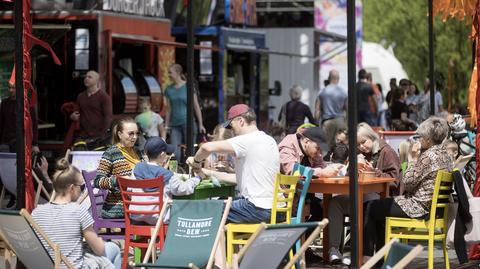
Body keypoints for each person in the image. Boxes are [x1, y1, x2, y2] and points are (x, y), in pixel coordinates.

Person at [363, 117, 453, 261]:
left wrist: (412, 159)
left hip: (418, 207)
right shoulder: (447, 156)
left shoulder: (428, 156)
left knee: (370, 207)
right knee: (380, 208)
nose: (419, 140)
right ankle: (380, 260)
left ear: (429, 140)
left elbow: (407, 183)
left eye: (421, 137)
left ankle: (367, 258)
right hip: (434, 209)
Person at [187, 104, 280, 223]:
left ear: (241, 121)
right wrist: (206, 172)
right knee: (221, 201)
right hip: (274, 208)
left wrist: (195, 162)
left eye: (231, 126)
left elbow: (206, 148)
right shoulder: (269, 140)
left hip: (256, 208)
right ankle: (225, 241)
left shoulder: (247, 140)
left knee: (207, 209)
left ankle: (218, 242)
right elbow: (238, 179)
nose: (231, 131)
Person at [327, 122, 400, 265]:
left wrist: (374, 172)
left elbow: (395, 180)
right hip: (361, 196)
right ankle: (334, 249)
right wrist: (352, 166)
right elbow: (348, 177)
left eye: (363, 142)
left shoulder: (386, 151)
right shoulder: (360, 154)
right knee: (335, 203)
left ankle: (359, 254)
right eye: (358, 144)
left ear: (372, 137)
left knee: (367, 202)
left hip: (381, 198)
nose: (362, 146)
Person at [32, 158, 121, 269]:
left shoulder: (36, 212)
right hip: (72, 266)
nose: (83, 190)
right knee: (114, 249)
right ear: (72, 188)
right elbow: (99, 249)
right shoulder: (78, 211)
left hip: (48, 265)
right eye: (82, 186)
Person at [131, 137, 202, 224]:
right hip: (158, 218)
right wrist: (197, 178)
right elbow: (184, 189)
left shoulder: (136, 169)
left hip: (136, 215)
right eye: (166, 153)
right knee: (186, 209)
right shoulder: (167, 175)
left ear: (146, 152)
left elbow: (129, 190)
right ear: (161, 154)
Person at [95, 118, 143, 219]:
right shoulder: (111, 153)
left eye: (136, 133)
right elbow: (98, 181)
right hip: (120, 206)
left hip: (140, 202)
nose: (134, 137)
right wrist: (118, 180)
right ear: (120, 134)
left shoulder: (137, 152)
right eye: (130, 134)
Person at [164, 64, 206, 160]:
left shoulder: (188, 86)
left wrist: (201, 124)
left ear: (178, 72)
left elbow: (196, 106)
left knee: (190, 151)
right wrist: (166, 126)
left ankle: (190, 172)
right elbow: (168, 109)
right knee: (176, 153)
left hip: (188, 123)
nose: (168, 75)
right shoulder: (168, 90)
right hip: (174, 125)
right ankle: (178, 172)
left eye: (170, 72)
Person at [70, 70, 113, 143]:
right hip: (83, 134)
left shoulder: (104, 97)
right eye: (85, 77)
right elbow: (76, 112)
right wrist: (72, 116)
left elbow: (108, 117)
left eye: (90, 77)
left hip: (99, 135)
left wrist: (102, 135)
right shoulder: (80, 96)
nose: (86, 78)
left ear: (97, 80)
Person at [0, 82, 39, 152]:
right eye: (9, 87)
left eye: (13, 88)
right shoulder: (4, 103)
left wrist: (35, 144)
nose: (11, 90)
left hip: (22, 141)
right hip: (6, 141)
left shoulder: (27, 104)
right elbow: (1, 124)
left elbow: (33, 125)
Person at [315, 70, 347, 148]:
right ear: (338, 78)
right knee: (341, 146)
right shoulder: (343, 92)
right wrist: (347, 124)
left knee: (325, 147)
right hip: (340, 121)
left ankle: (326, 160)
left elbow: (317, 110)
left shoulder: (322, 92)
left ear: (329, 78)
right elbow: (347, 109)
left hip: (327, 122)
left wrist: (316, 123)